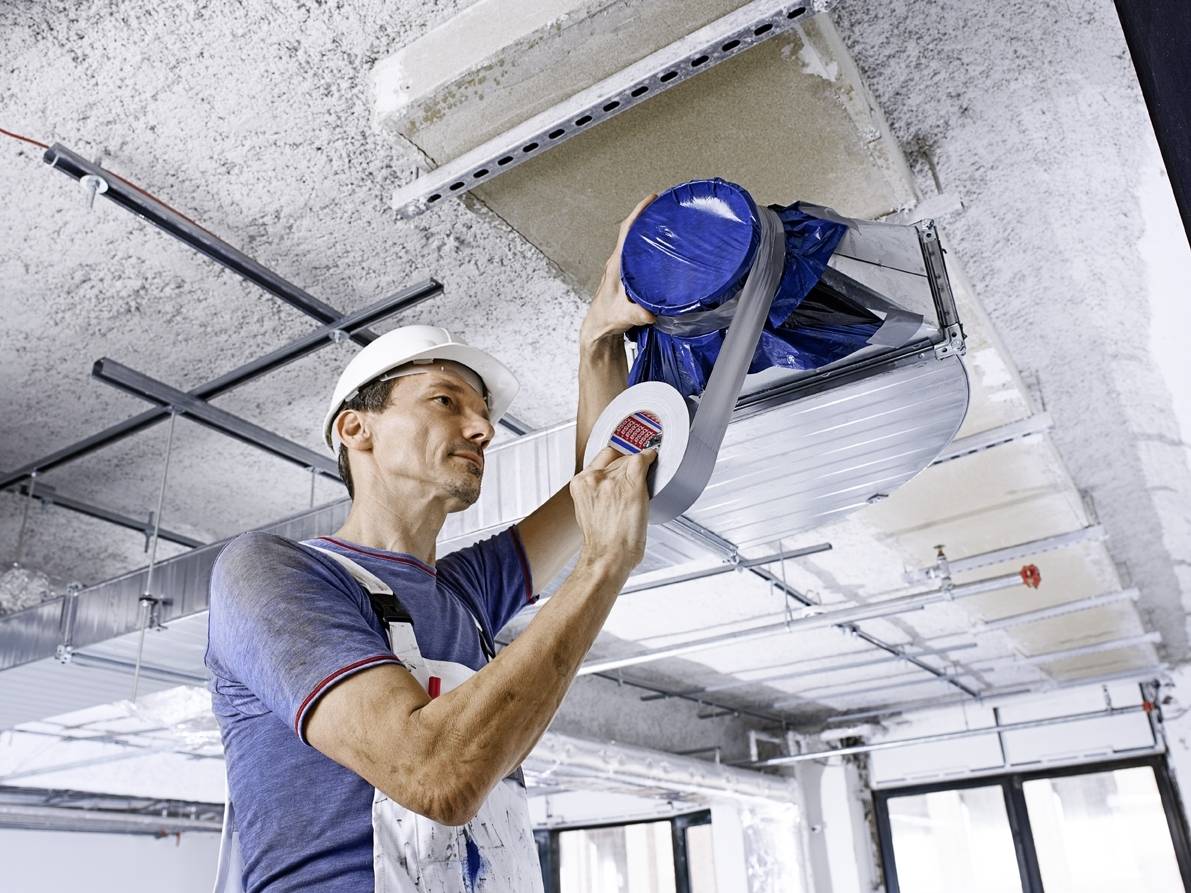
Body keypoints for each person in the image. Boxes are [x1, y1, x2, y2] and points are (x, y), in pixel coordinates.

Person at [205, 197, 659, 892]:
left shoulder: (466, 594)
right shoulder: (271, 573)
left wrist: (598, 338)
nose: (481, 427)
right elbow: (435, 774)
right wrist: (601, 568)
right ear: (356, 430)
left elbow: (592, 480)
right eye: (446, 400)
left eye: (483, 413)